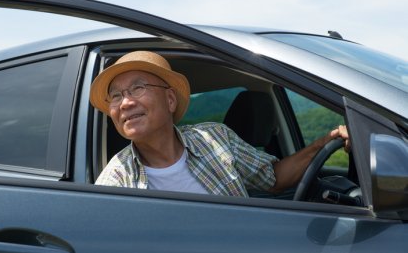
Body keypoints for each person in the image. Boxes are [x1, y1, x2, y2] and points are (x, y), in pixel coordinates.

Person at [90, 51, 350, 197]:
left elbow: (275, 179)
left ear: (170, 100)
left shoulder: (214, 138)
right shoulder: (115, 183)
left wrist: (326, 142)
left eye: (137, 88)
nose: (125, 103)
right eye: (116, 96)